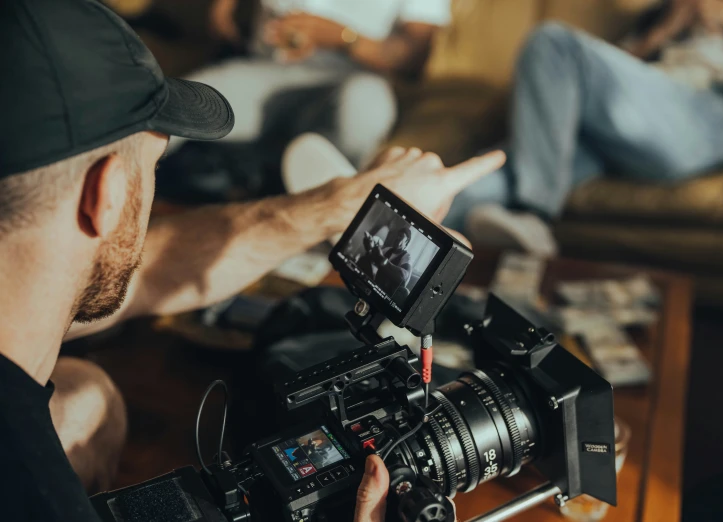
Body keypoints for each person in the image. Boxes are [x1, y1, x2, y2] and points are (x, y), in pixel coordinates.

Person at [0, 0, 505, 520]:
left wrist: (343, 200)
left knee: (87, 397)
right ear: (103, 194)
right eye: (150, 165)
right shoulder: (32, 492)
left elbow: (156, 266)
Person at [442, 0, 723, 257]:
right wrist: (668, 28)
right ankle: (408, 280)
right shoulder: (668, 13)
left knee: (552, 40)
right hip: (636, 117)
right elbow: (605, 73)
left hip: (711, 114)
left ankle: (535, 213)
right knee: (471, 181)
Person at [165, 0, 450, 168]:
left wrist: (343, 39)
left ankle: (324, 208)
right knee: (174, 105)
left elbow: (415, 56)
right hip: (263, 72)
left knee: (364, 105)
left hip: (351, 78)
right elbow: (223, 24)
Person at [358, 226, 413, 297]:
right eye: (397, 235)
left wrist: (381, 259)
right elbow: (373, 261)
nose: (397, 238)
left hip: (386, 292)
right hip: (375, 282)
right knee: (363, 259)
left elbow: (403, 277)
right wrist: (369, 249)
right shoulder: (388, 249)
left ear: (407, 241)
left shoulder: (407, 256)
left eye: (400, 236)